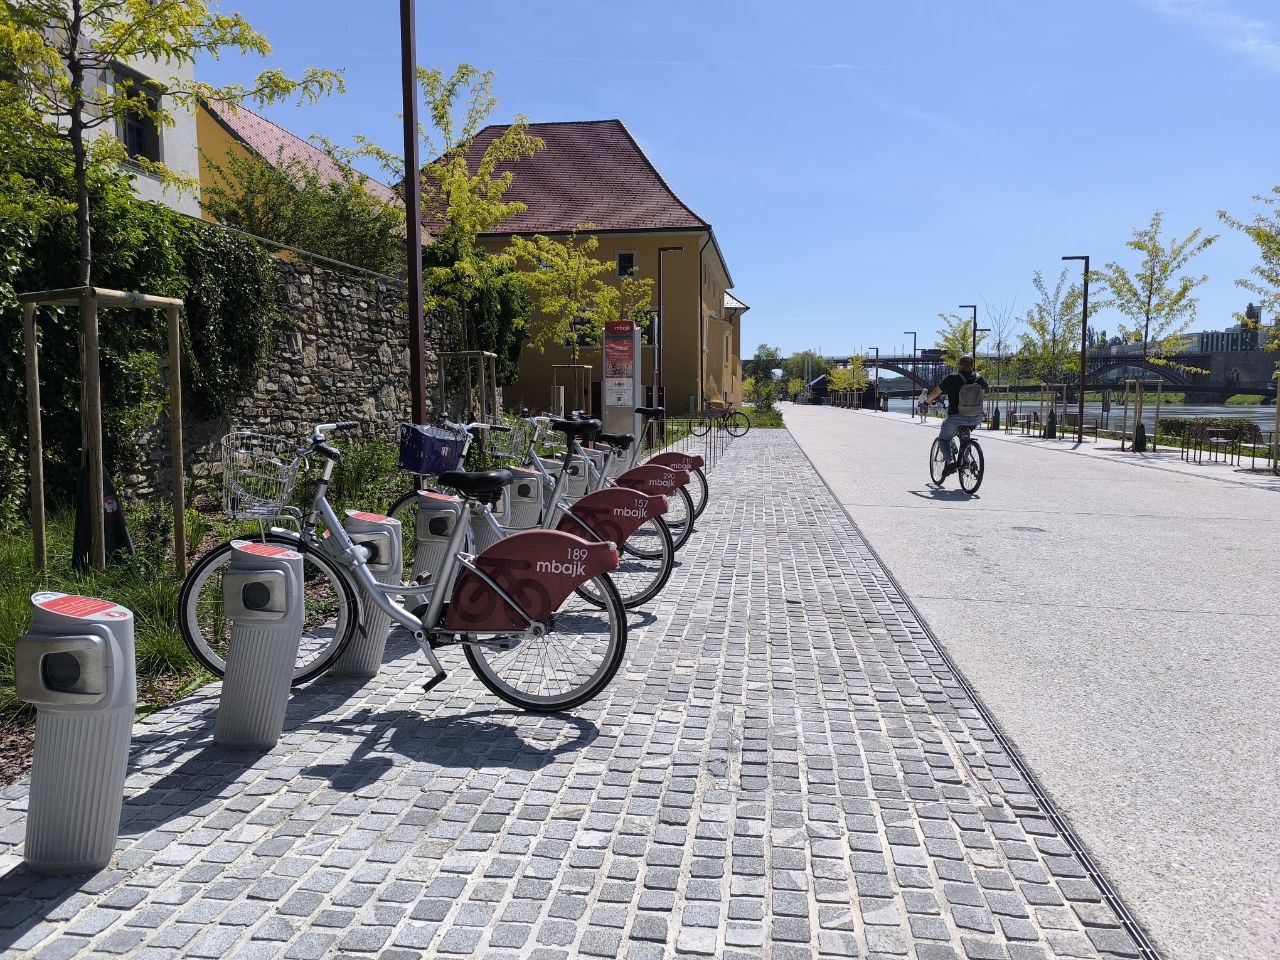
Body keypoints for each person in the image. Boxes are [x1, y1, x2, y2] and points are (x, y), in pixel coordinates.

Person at [926, 355, 988, 481]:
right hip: (976, 417)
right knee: (965, 435)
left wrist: (927, 400)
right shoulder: (979, 377)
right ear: (972, 365)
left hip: (957, 417)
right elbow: (985, 391)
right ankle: (965, 458)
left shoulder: (952, 378)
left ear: (959, 365)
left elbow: (937, 391)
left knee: (943, 438)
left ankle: (949, 462)